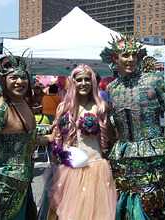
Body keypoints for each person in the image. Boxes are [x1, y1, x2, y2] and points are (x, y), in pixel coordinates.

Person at [100, 34, 165, 219]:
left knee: (150, 204)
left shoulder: (154, 80)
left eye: (134, 55)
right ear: (114, 58)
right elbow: (114, 125)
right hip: (123, 157)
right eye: (126, 55)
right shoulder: (112, 88)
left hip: (152, 155)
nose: (131, 59)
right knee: (125, 204)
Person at [38, 64, 118, 220]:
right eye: (79, 79)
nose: (83, 83)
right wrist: (32, 140)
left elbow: (113, 136)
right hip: (69, 171)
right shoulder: (63, 107)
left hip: (95, 170)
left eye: (87, 79)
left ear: (93, 82)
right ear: (72, 82)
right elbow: (55, 137)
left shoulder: (102, 107)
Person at [0, 55, 38, 219]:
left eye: (23, 77)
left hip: (25, 183)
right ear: (3, 80)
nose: (20, 82)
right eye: (14, 77)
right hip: (5, 185)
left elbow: (27, 139)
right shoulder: (0, 108)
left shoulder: (24, 102)